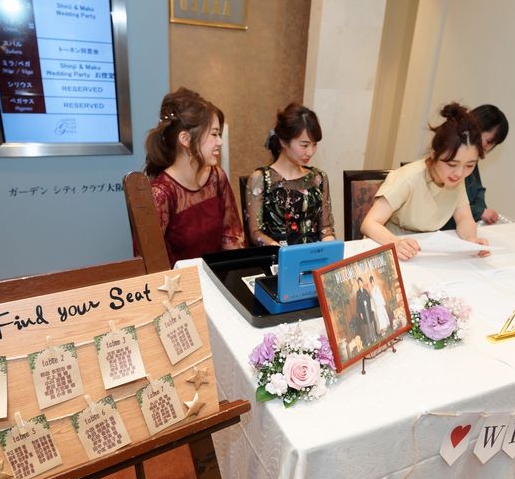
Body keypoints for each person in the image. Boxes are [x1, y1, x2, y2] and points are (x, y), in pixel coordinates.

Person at [360, 102, 489, 261]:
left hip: (424, 249)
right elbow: (369, 223)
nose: (460, 173)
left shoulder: (456, 179)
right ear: (434, 154)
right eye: (452, 164)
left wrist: (471, 240)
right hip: (389, 245)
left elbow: (464, 218)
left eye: (470, 165)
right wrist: (396, 243)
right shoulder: (408, 178)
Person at [144, 87, 244, 265]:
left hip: (219, 275)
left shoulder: (216, 177)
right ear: (185, 139)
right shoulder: (161, 193)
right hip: (179, 281)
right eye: (214, 134)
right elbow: (153, 263)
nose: (220, 142)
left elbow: (231, 235)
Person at [245, 103, 335, 246]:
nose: (310, 152)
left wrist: (329, 246)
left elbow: (326, 228)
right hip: (277, 255)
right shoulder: (261, 179)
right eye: (304, 145)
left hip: (314, 254)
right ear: (283, 141)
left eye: (314, 144)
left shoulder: (318, 178)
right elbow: (256, 233)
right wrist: (282, 251)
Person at [442, 104, 509, 229]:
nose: (488, 148)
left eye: (493, 144)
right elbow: (444, 202)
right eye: (489, 141)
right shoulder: (450, 153)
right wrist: (479, 212)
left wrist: (481, 210)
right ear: (477, 128)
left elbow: (477, 190)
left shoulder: (471, 159)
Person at [356, 277, 376, 346]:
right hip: (363, 311)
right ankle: (368, 340)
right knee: (366, 325)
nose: (360, 283)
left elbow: (369, 298)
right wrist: (360, 313)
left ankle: (373, 337)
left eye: (361, 282)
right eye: (359, 283)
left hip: (368, 309)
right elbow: (358, 303)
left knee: (370, 322)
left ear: (362, 283)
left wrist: (367, 303)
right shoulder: (358, 293)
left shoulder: (365, 291)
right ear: (358, 284)